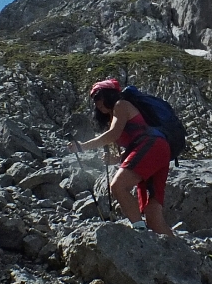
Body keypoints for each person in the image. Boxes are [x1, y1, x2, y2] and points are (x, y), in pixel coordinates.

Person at [70, 78, 174, 235]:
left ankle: (140, 232)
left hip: (152, 146)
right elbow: (132, 147)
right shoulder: (117, 113)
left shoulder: (121, 105)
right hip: (158, 150)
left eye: (99, 97)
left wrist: (82, 147)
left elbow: (113, 135)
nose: (97, 103)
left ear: (109, 95)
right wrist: (115, 160)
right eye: (94, 100)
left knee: (118, 186)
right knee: (152, 213)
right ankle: (177, 252)